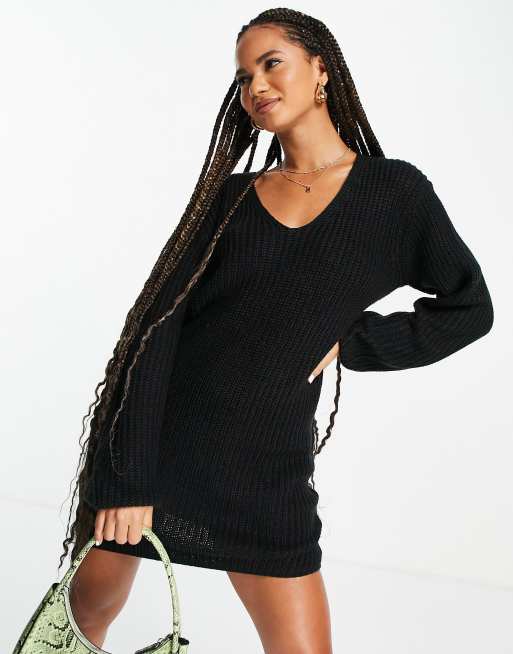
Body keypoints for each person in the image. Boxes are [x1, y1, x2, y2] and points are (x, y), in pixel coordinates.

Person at [57, 8, 493, 653]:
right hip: (162, 454)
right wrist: (127, 480)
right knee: (80, 621)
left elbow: (470, 307)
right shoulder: (229, 199)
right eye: (243, 77)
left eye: (271, 64)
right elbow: (156, 337)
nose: (256, 85)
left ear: (320, 69)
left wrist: (355, 342)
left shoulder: (394, 195)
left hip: (267, 475)